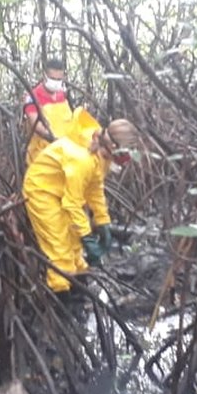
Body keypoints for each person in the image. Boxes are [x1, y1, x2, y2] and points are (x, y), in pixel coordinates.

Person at [23, 111, 139, 298]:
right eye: (126, 154)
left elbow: (95, 187)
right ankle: (62, 299)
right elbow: (72, 204)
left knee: (74, 244)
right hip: (41, 189)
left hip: (62, 190)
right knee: (60, 248)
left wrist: (103, 222)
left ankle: (78, 285)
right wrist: (88, 238)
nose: (127, 160)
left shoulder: (101, 154)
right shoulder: (82, 160)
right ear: (114, 147)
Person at [23, 58, 73, 166]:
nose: (55, 82)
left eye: (59, 79)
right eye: (52, 78)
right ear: (44, 76)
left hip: (65, 154)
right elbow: (35, 123)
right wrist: (54, 139)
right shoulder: (32, 96)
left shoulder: (61, 95)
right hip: (41, 155)